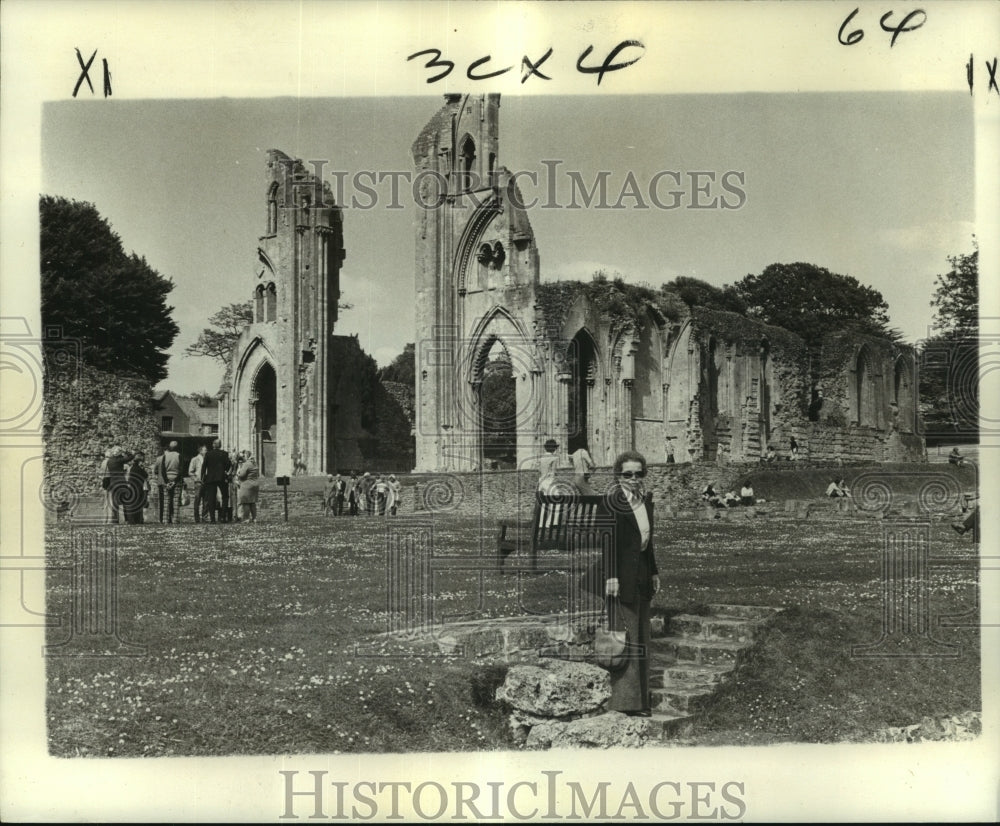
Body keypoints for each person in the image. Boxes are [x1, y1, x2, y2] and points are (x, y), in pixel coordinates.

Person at [598, 450, 660, 717]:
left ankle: (641, 699)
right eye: (628, 474)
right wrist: (611, 576)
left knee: (642, 637)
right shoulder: (612, 502)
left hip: (643, 575)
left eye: (638, 474)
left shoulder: (644, 503)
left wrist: (655, 572)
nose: (634, 479)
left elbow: (647, 544)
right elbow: (607, 542)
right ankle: (627, 703)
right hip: (621, 576)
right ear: (618, 476)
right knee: (628, 637)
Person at [200, 439, 232, 523]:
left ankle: (212, 519)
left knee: (211, 498)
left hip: (210, 478)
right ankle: (223, 517)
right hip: (221, 477)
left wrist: (202, 477)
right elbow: (228, 465)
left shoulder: (208, 454)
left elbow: (204, 466)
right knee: (225, 497)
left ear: (214, 445)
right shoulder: (224, 454)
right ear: (220, 445)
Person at [159, 441, 182, 523]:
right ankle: (175, 519)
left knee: (166, 500)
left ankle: (165, 519)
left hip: (167, 478)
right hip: (176, 479)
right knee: (176, 500)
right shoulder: (179, 455)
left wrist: (167, 481)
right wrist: (175, 481)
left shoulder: (165, 456)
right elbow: (181, 470)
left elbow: (162, 470)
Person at [124, 451, 149, 524]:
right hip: (138, 487)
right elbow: (145, 475)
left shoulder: (132, 468)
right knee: (137, 504)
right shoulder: (138, 468)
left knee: (133, 503)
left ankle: (132, 520)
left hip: (132, 487)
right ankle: (137, 520)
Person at [105, 446, 129, 524]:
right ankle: (127, 519)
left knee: (115, 502)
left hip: (113, 482)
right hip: (121, 482)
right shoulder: (119, 461)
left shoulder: (109, 461)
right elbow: (130, 457)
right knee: (125, 501)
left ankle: (115, 520)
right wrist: (125, 452)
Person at [236, 452, 260, 523]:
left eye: (244, 456)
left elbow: (242, 475)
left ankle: (246, 519)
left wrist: (238, 472)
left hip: (247, 485)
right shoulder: (255, 463)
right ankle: (254, 518)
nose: (243, 458)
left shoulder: (247, 464)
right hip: (255, 484)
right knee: (252, 502)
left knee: (246, 502)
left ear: (247, 456)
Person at [98, 448, 113, 523]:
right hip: (110, 480)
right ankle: (110, 519)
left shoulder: (103, 462)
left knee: (105, 502)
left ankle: (104, 520)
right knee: (110, 501)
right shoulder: (112, 462)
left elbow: (101, 474)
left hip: (105, 481)